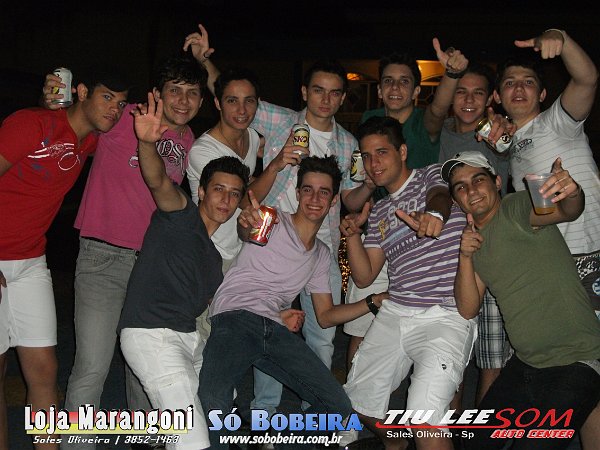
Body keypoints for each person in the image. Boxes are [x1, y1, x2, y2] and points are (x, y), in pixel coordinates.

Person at [42, 31, 208, 450]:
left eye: (192, 93)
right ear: (158, 93)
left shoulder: (187, 139)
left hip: (151, 267)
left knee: (144, 372)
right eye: (174, 91)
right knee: (92, 368)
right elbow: (75, 123)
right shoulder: (125, 116)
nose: (183, 101)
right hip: (103, 258)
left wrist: (205, 61)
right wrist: (54, 103)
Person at [198, 155, 384, 449]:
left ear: (334, 200)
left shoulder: (321, 254)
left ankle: (263, 433)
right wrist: (246, 222)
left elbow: (325, 316)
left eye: (323, 192)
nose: (314, 198)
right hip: (235, 317)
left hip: (274, 327)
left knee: (338, 409)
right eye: (307, 189)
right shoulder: (272, 219)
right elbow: (248, 230)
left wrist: (373, 302)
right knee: (212, 399)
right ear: (297, 194)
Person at [0, 67, 129, 450]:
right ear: (82, 92)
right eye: (107, 97)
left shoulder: (89, 142)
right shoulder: (31, 123)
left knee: (45, 371)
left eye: (121, 103)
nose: (114, 109)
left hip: (30, 262)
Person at [117, 92, 249, 450]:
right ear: (201, 191)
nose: (225, 199)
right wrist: (147, 143)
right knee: (192, 438)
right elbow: (158, 180)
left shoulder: (215, 260)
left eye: (234, 194)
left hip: (188, 339)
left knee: (219, 402)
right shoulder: (180, 214)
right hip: (153, 336)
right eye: (218, 189)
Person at [443, 150, 600, 450]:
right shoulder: (476, 242)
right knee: (474, 443)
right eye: (460, 187)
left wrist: (572, 193)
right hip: (527, 364)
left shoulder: (514, 207)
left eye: (478, 179)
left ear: (496, 182)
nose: (471, 190)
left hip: (577, 360)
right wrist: (464, 256)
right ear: (456, 200)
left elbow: (566, 211)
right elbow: (468, 308)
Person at [340, 116, 476, 450]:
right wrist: (353, 236)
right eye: (367, 155)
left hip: (444, 314)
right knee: (355, 400)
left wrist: (436, 215)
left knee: (424, 416)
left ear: (402, 152)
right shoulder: (379, 211)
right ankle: (396, 443)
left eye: (382, 152)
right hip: (397, 311)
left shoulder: (432, 174)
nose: (373, 163)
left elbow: (441, 195)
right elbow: (365, 276)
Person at [438, 63, 513, 407]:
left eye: (477, 93)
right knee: (449, 357)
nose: (468, 100)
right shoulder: (439, 131)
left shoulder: (499, 135)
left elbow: (511, 148)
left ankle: (481, 431)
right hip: (447, 252)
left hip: (494, 249)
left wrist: (504, 131)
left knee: (492, 359)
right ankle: (450, 430)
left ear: (490, 98)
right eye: (461, 92)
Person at [186, 67, 262, 272]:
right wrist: (275, 165)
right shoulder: (203, 150)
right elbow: (243, 199)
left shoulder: (253, 137)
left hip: (237, 250)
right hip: (207, 248)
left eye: (249, 101)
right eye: (232, 101)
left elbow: (246, 181)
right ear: (218, 103)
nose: (242, 110)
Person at [361, 40, 469, 169]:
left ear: (415, 92)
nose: (395, 87)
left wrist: (452, 73)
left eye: (404, 81)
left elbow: (437, 110)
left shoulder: (423, 122)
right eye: (388, 80)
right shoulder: (369, 118)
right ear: (379, 90)